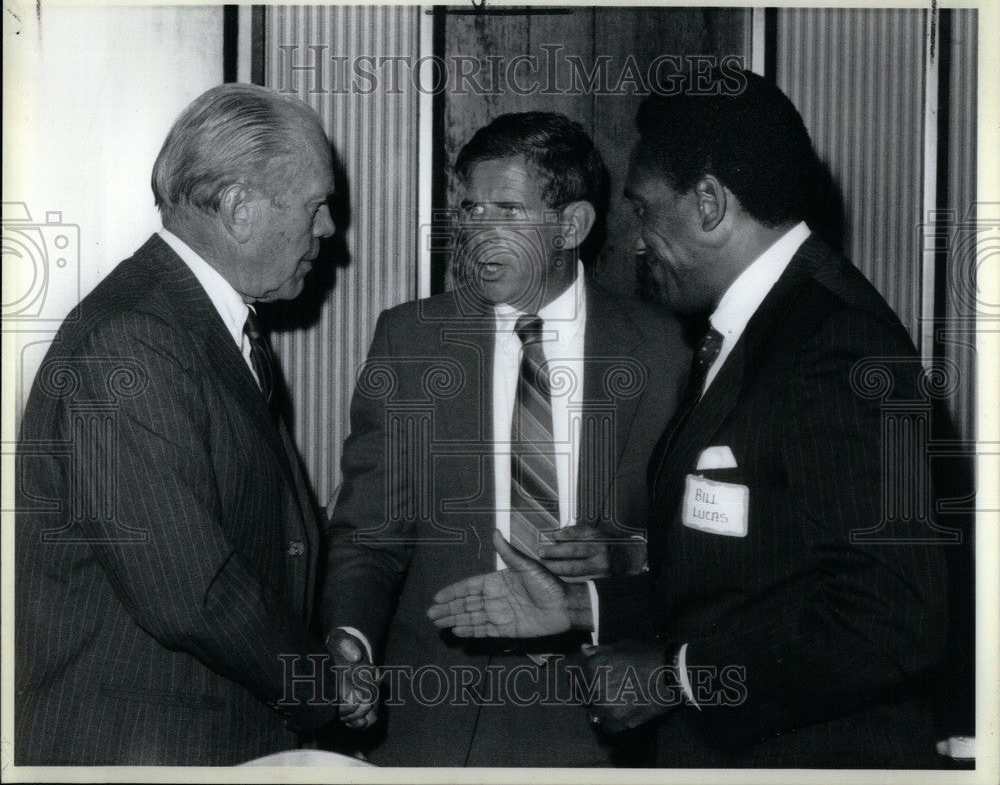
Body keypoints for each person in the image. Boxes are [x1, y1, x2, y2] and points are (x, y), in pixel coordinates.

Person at [429, 70, 949, 768]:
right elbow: (753, 577)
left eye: (644, 211)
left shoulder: (833, 343)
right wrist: (585, 607)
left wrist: (676, 676)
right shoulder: (755, 328)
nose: (637, 244)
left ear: (708, 203)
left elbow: (891, 618)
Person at [15, 83, 367, 765]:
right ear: (240, 209)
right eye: (316, 204)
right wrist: (322, 682)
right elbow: (191, 589)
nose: (328, 228)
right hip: (139, 748)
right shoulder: (135, 340)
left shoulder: (196, 325)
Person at [321, 112, 689, 766]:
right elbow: (369, 533)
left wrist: (629, 559)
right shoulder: (410, 340)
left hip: (600, 720)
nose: (478, 234)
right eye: (470, 210)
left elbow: (709, 557)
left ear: (571, 225)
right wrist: (350, 639)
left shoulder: (666, 351)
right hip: (432, 720)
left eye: (508, 211)